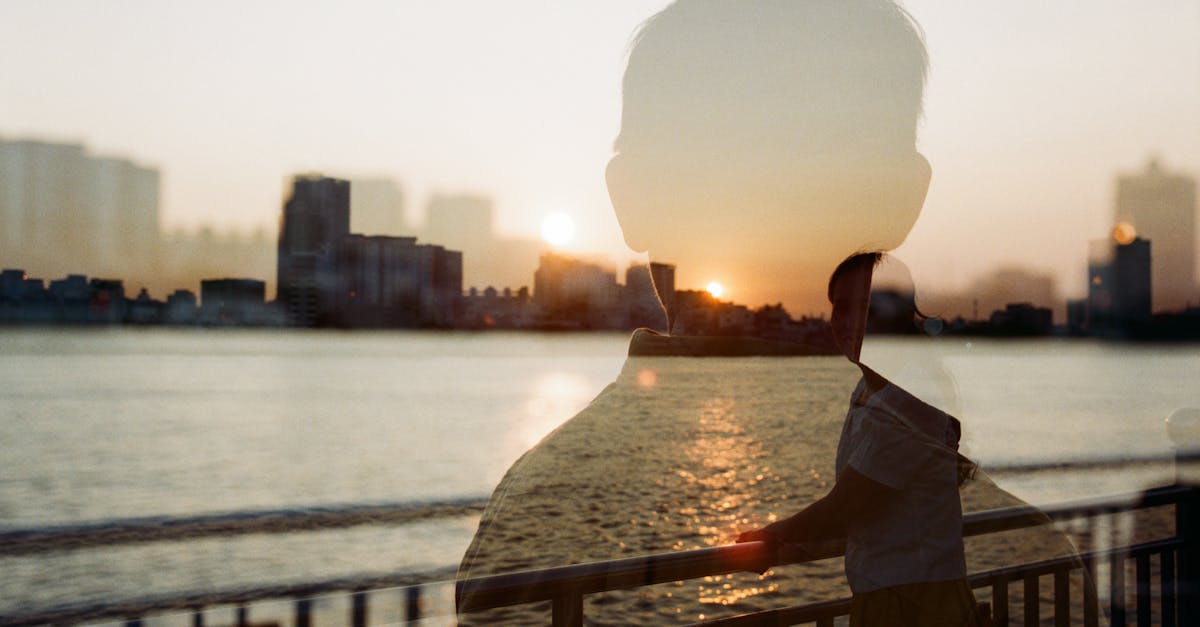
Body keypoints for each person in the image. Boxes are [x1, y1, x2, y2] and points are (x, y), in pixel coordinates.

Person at [737, 252, 984, 626]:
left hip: (916, 602)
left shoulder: (910, 394)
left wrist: (771, 537)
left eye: (867, 307)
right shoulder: (871, 386)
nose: (850, 322)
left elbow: (848, 505)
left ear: (900, 311)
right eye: (840, 308)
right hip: (889, 594)